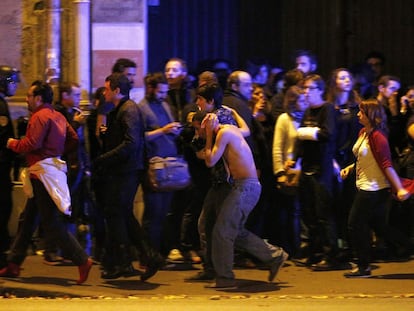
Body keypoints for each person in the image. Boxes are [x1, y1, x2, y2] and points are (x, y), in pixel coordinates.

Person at [0, 80, 92, 284]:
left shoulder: (39, 117)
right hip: (47, 172)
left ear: (39, 98)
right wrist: (56, 152)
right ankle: (14, 264)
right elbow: (73, 138)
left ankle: (82, 259)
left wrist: (11, 143)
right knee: (28, 221)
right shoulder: (57, 115)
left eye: (30, 96)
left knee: (51, 224)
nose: (26, 98)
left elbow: (32, 143)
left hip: (42, 174)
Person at [193, 111, 288, 289]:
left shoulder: (224, 132)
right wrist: (236, 112)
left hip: (246, 187)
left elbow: (210, 160)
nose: (199, 133)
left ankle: (225, 279)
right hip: (244, 187)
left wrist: (208, 137)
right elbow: (246, 128)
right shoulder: (232, 130)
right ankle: (275, 256)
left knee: (222, 232)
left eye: (200, 129)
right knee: (234, 232)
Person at [93, 73, 163, 281]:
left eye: (107, 89)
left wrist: (105, 158)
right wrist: (107, 135)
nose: (104, 92)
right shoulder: (121, 109)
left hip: (126, 171)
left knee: (116, 212)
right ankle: (140, 258)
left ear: (116, 90)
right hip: (122, 170)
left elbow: (131, 143)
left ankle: (130, 260)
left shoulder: (129, 109)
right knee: (120, 213)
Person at [341, 99, 412, 278]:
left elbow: (387, 164)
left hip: (373, 188)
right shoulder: (363, 132)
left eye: (362, 112)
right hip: (366, 185)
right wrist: (351, 168)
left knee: (354, 224)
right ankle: (410, 245)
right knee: (380, 227)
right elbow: (364, 158)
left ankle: (363, 266)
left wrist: (399, 188)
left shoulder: (378, 137)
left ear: (371, 115)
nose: (358, 114)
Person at [292, 74, 341, 271]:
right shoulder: (307, 112)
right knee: (308, 214)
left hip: (322, 169)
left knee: (323, 214)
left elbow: (327, 133)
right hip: (307, 168)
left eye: (309, 88)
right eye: (304, 88)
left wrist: (305, 132)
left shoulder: (327, 109)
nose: (305, 92)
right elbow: (300, 141)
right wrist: (293, 159)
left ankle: (331, 256)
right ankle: (314, 253)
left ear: (320, 90)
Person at [137, 72, 182, 256]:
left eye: (165, 91)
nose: (164, 95)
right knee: (153, 212)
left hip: (170, 163)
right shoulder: (141, 108)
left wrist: (174, 130)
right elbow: (140, 137)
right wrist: (163, 130)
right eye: (160, 91)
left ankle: (160, 252)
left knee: (165, 212)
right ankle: (147, 254)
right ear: (150, 88)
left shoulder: (165, 104)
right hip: (153, 165)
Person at [326, 68, 362, 255]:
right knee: (335, 203)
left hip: (352, 158)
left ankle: (352, 245)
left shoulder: (357, 107)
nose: (346, 80)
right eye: (342, 77)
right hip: (333, 158)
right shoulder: (329, 107)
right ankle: (338, 244)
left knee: (350, 201)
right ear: (334, 82)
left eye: (349, 77)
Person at [272, 85, 308, 258]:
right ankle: (292, 248)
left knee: (302, 210)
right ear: (293, 101)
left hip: (305, 171)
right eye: (302, 99)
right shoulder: (284, 119)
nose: (305, 102)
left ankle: (302, 245)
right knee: (292, 211)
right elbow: (277, 148)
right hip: (289, 171)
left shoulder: (308, 119)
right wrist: (279, 172)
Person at [0, 65, 19, 269]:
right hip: (1, 167)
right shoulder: (0, 105)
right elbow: (3, 139)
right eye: (12, 81)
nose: (15, 86)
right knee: (3, 210)